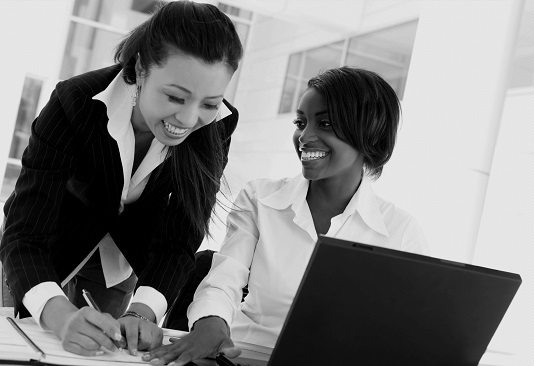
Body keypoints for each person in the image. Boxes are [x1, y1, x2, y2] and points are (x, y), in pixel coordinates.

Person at [0, 0, 243, 357]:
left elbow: (182, 235)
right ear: (141, 68)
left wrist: (143, 311)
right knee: (31, 349)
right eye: (176, 96)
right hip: (45, 249)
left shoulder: (219, 123)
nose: (190, 119)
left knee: (106, 353)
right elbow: (24, 232)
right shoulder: (75, 100)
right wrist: (60, 316)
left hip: (125, 257)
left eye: (209, 102)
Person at [142, 66, 430, 365]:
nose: (305, 136)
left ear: (368, 133)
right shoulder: (260, 199)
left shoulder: (400, 230)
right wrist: (211, 321)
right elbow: (224, 279)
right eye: (301, 122)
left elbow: (417, 331)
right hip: (245, 357)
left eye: (326, 123)